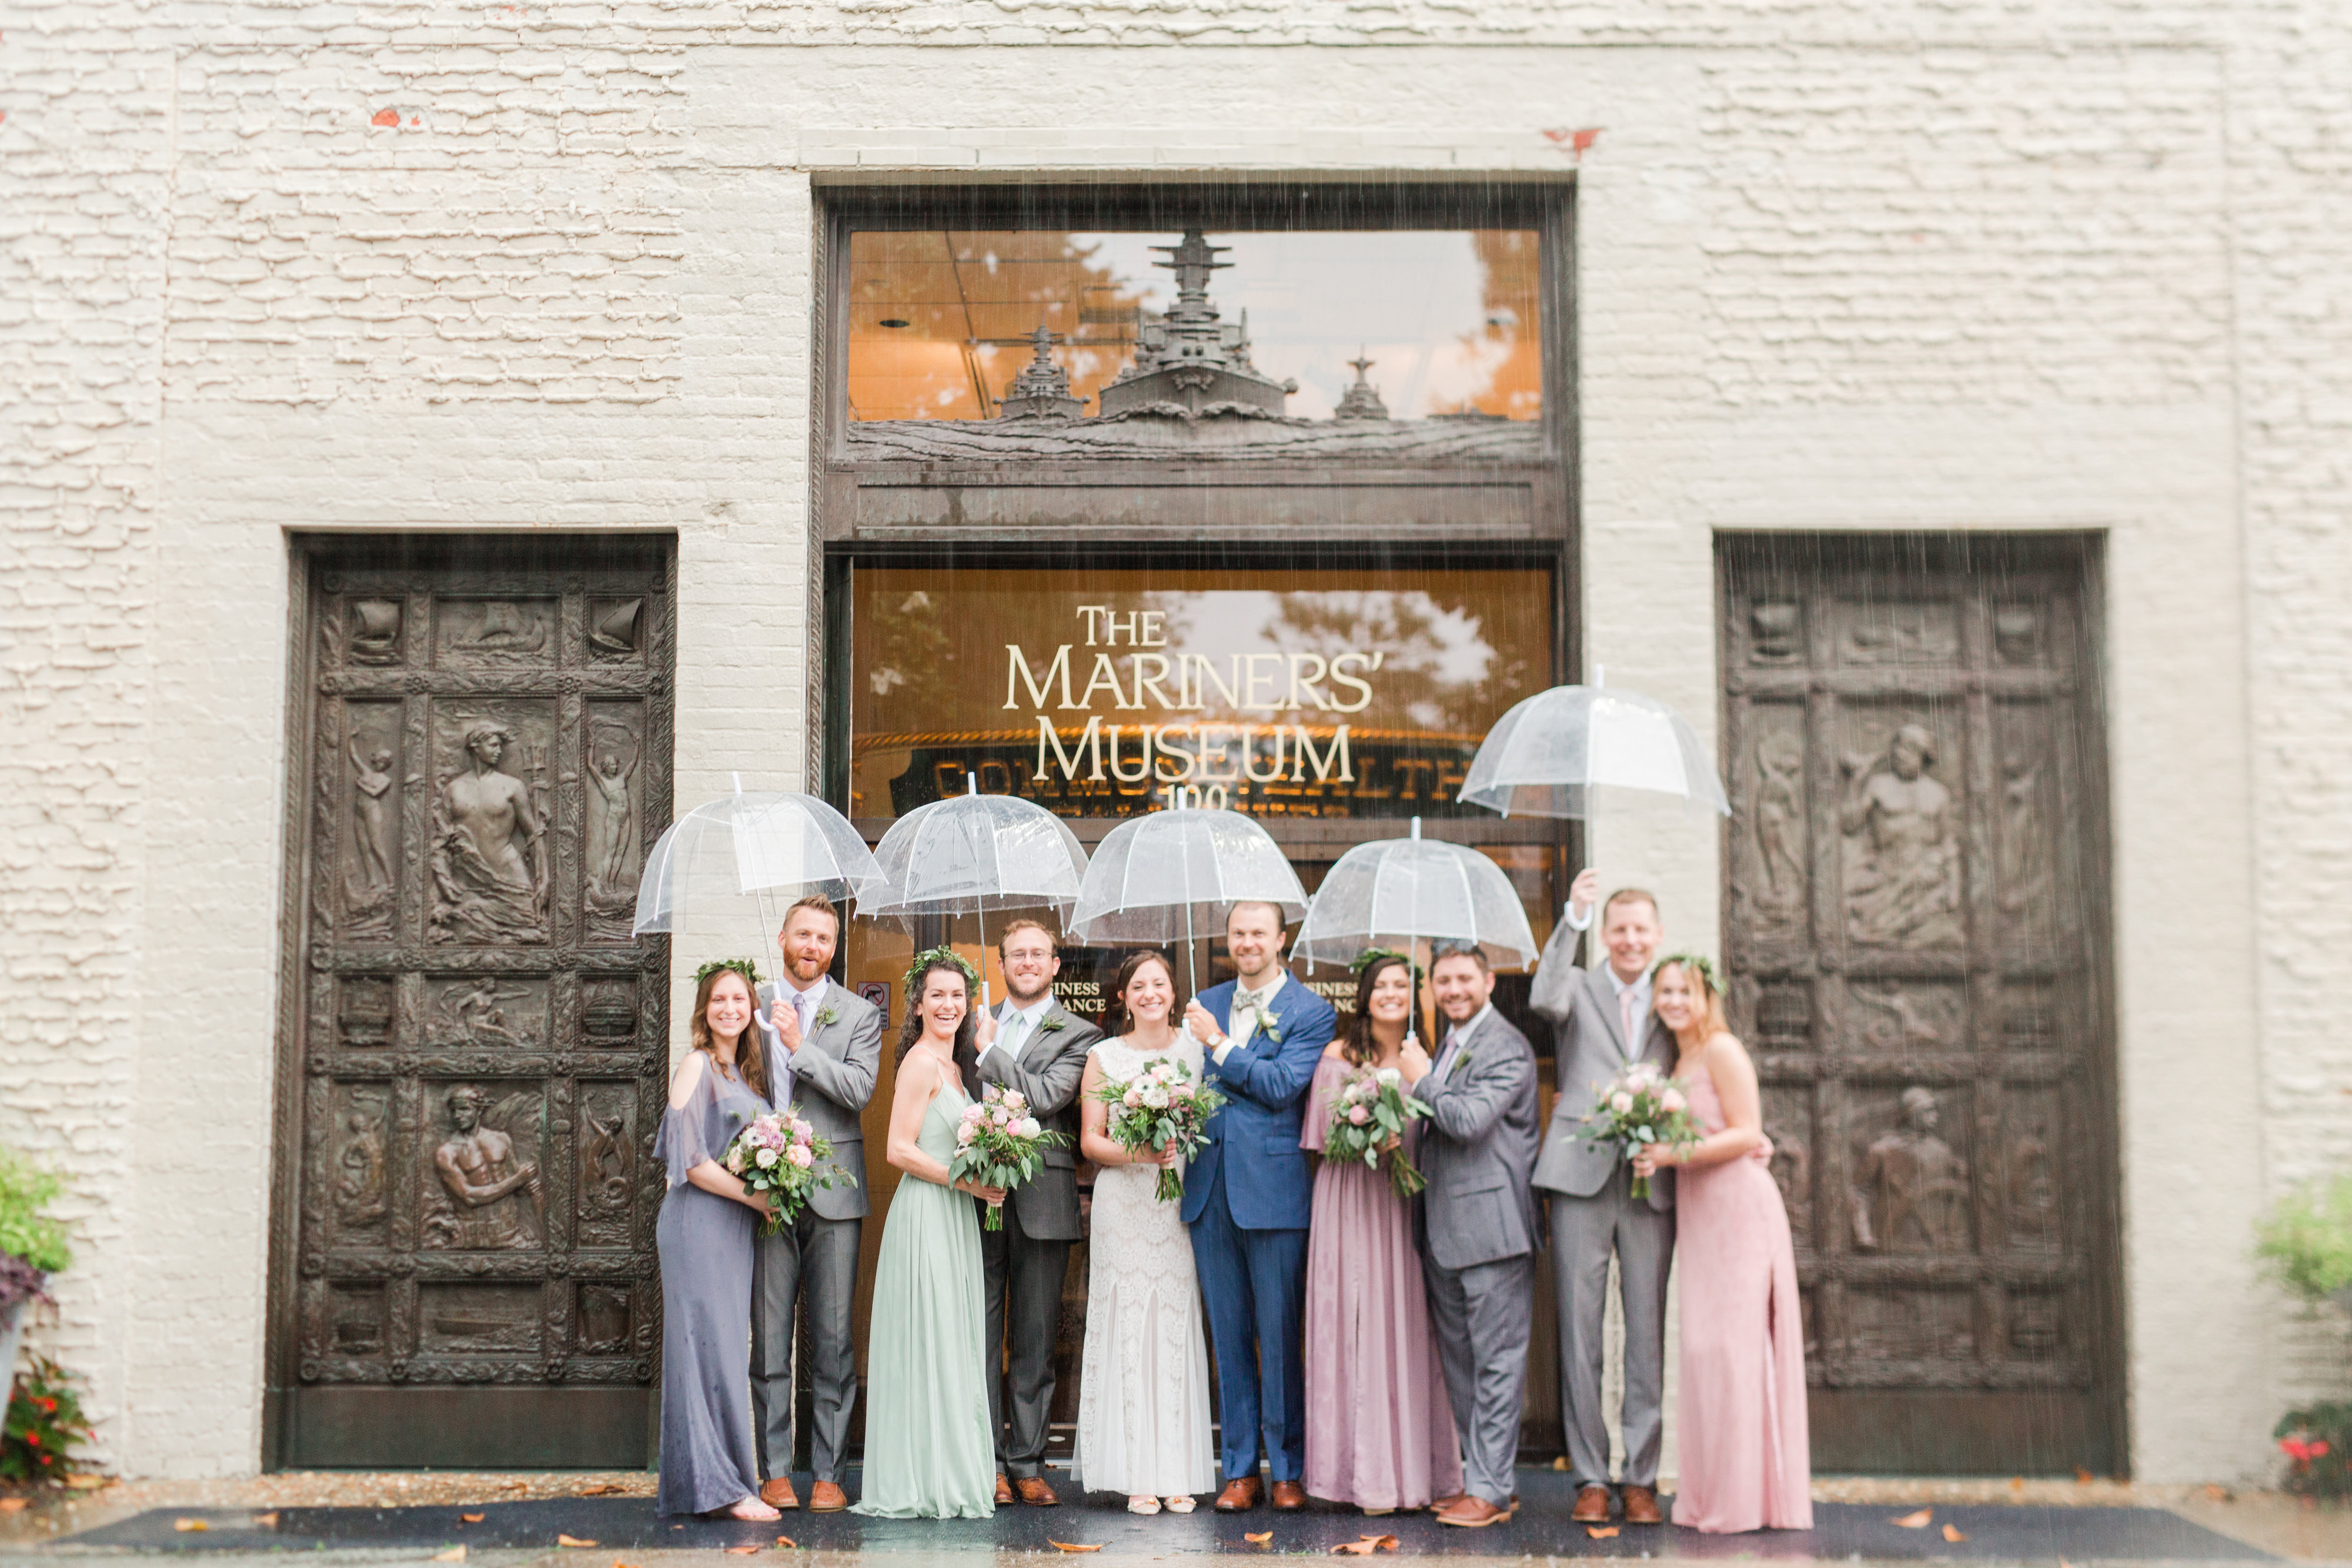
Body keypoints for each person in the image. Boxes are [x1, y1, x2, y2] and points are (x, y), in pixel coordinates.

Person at [1631, 956, 1812, 1533]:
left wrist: (1668, 1154)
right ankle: (1709, 1492)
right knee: (1705, 1352)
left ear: (1707, 995)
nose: (1675, 1000)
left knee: (1735, 1352)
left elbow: (1747, 1132)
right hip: (1699, 1216)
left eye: (1686, 990)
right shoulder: (1677, 1057)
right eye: (1666, 991)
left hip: (1737, 1211)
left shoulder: (1722, 1050)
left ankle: (1745, 1500)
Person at [1181, 902, 1338, 1512]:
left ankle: (1289, 1469)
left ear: (1280, 940)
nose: (1247, 942)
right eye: (1237, 933)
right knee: (1228, 1335)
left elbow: (1280, 1088)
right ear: (1227, 940)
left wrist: (1218, 1045)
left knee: (1278, 1337)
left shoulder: (1310, 1011)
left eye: (1258, 933)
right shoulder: (1206, 999)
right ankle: (1240, 1470)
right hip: (1209, 1188)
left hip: (1273, 1195)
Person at [1528, 872, 1675, 1526]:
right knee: (1580, 1332)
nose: (1630, 940)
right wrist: (1574, 920)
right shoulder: (1579, 985)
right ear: (1607, 935)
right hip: (1579, 1174)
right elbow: (1542, 995)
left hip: (1650, 1179)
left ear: (1658, 936)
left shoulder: (1675, 995)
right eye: (1619, 929)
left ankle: (1639, 1477)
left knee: (1644, 1332)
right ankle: (1590, 1475)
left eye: (1641, 929)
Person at [1298, 951, 1462, 1515]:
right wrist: (1367, 1138)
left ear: (1416, 996)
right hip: (1349, 1199)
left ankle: (1411, 1472)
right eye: (1381, 985)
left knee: (1406, 1329)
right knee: (1352, 1324)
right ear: (1364, 995)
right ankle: (1356, 1477)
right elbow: (1320, 1139)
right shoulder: (1339, 1056)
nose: (1391, 993)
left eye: (1401, 985)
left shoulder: (1428, 1056)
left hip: (1406, 1203)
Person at [853, 950, 1001, 1519]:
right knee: (931, 1340)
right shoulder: (919, 1062)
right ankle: (921, 1478)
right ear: (917, 1005)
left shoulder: (957, 1069)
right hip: (926, 1214)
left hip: (954, 1216)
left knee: (952, 1343)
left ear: (968, 1006)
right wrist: (967, 1185)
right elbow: (897, 1149)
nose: (947, 1005)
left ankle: (948, 1469)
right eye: (936, 995)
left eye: (957, 996)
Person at [1400, 942, 1541, 1530]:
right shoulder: (1451, 1043)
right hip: (1444, 1228)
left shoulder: (1505, 1044)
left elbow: (1467, 1121)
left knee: (1496, 1365)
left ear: (1487, 982)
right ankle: (1480, 1481)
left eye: (1464, 979)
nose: (1453, 989)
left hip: (1493, 1232)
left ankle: (1490, 1488)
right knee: (1461, 1364)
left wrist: (1420, 1080)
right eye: (1443, 980)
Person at [1073, 950, 1218, 1514]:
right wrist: (1142, 1150)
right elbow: (1091, 1141)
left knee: (1174, 1323)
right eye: (1139, 985)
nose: (1150, 992)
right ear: (1124, 997)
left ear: (1174, 992)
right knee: (1128, 1324)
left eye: (1159, 983)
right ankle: (1135, 1471)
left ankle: (1176, 1469)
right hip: (1123, 1205)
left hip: (1178, 1205)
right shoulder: (1103, 1055)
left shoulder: (1196, 1050)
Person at [750, 896, 881, 1513]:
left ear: (833, 948)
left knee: (832, 1342)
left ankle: (828, 1471)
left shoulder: (858, 1013)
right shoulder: (747, 1003)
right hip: (765, 1192)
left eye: (824, 939)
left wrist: (800, 1043)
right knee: (770, 1337)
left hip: (832, 1191)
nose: (812, 947)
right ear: (782, 937)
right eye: (803, 935)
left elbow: (858, 1090)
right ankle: (773, 1469)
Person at [969, 920, 1104, 1507]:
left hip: (1043, 1201)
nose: (1027, 961)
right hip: (975, 1197)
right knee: (976, 1335)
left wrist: (990, 1052)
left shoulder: (1081, 1033)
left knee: (1032, 1340)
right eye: (1016, 954)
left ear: (1055, 966)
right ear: (1001, 964)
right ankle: (981, 1461)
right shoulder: (970, 1021)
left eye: (1038, 954)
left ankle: (1025, 1462)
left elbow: (1047, 1098)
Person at [653, 959, 783, 1521]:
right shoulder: (695, 1065)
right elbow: (690, 1161)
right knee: (702, 1350)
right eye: (718, 999)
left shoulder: (748, 1075)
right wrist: (758, 1198)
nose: (729, 1008)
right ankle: (722, 1488)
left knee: (726, 1350)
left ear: (751, 1008)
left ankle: (714, 1482)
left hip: (734, 1229)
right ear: (704, 1009)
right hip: (699, 1222)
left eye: (739, 999)